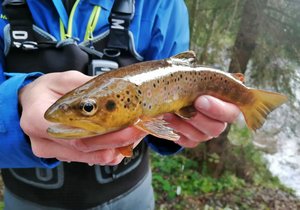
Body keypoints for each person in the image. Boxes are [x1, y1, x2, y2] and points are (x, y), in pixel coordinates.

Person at [0, 0, 240, 209]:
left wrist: (185, 127)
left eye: (87, 109)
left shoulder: (163, 3)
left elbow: (176, 103)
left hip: (131, 195)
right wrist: (13, 110)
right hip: (26, 199)